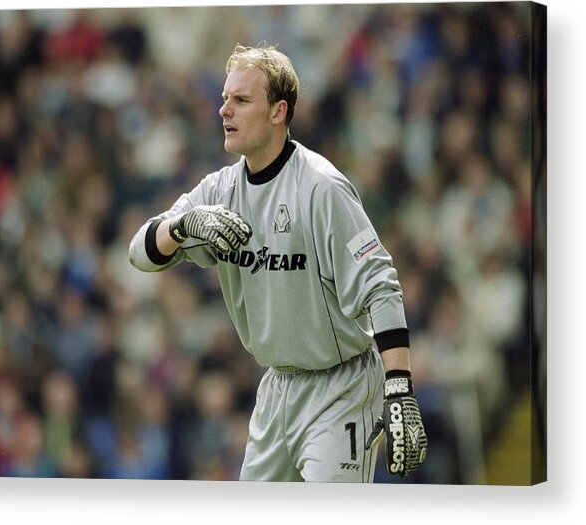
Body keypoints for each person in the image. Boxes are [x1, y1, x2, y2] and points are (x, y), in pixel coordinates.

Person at [129, 44, 427, 482]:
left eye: (241, 100)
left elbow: (380, 285)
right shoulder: (219, 190)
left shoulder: (321, 187)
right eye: (225, 98)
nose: (223, 110)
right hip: (276, 389)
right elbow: (139, 254)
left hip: (340, 387)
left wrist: (399, 388)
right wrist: (180, 226)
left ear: (278, 112)